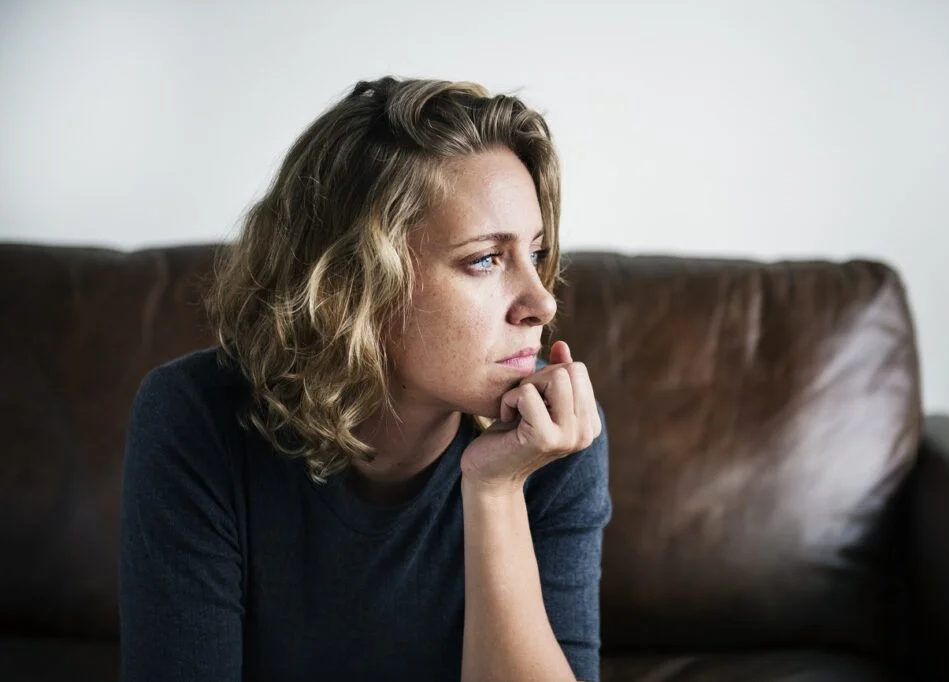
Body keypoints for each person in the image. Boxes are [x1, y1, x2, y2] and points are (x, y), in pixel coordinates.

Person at [118, 76, 611, 682]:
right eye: (485, 259)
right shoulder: (195, 417)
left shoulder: (553, 436)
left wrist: (496, 491)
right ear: (354, 285)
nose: (542, 302)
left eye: (534, 254)